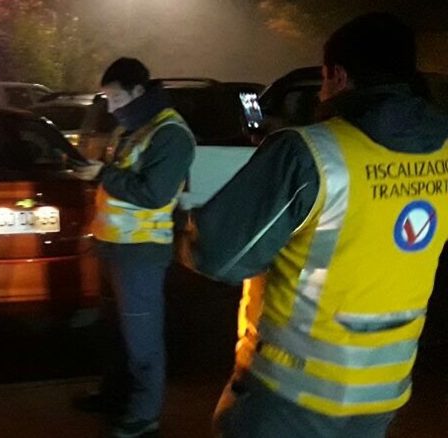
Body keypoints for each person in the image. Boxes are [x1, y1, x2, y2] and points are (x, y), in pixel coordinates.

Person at [185, 13, 448, 437]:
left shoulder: (309, 152)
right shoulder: (443, 150)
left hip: (289, 392)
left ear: (338, 76)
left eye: (324, 80)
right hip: (384, 391)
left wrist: (186, 226)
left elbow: (217, 255)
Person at [72, 58, 196, 438]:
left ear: (138, 92)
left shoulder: (170, 134)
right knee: (115, 331)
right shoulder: (133, 128)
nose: (110, 108)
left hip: (141, 250)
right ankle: (114, 395)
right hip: (114, 246)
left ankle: (145, 413)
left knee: (142, 336)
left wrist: (103, 174)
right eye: (106, 99)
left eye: (115, 98)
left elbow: (154, 193)